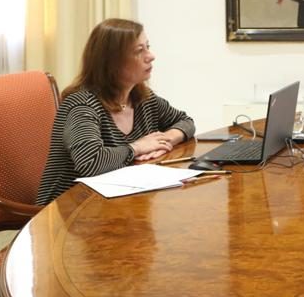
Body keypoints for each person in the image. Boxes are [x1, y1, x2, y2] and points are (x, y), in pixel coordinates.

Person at [36, 19, 196, 205]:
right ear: (111, 61)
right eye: (139, 51)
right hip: (65, 212)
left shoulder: (142, 98)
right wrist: (137, 148)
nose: (151, 56)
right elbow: (91, 162)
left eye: (148, 47)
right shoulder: (81, 105)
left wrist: (163, 140)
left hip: (114, 203)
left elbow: (185, 121)